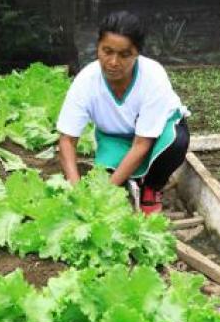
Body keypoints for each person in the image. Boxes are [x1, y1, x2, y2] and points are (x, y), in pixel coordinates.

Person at [56, 11, 190, 215]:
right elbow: (67, 140)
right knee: (110, 175)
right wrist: (76, 192)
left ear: (137, 53)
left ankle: (152, 187)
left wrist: (107, 193)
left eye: (124, 55)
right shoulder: (86, 80)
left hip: (156, 137)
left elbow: (142, 143)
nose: (113, 62)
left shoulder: (153, 76)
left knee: (177, 142)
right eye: (107, 51)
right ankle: (132, 176)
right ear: (97, 48)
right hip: (114, 138)